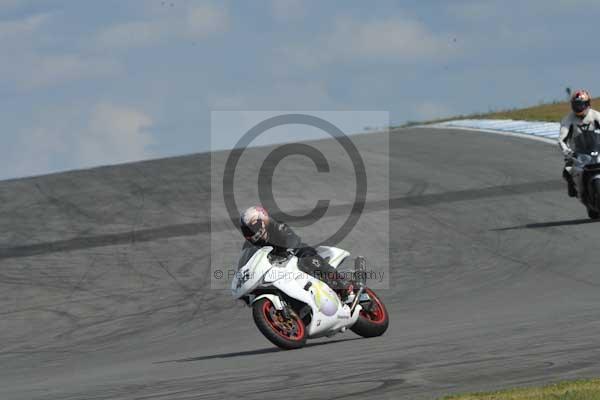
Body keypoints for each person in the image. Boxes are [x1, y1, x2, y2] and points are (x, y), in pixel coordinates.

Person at [238, 205, 353, 297]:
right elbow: (247, 264)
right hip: (276, 270)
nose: (251, 232)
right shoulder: (249, 246)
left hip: (293, 255)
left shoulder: (276, 226)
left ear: (263, 220)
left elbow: (292, 238)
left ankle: (341, 282)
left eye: (253, 227)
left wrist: (287, 250)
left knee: (305, 255)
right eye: (247, 231)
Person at [559, 90, 600, 197]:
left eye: (581, 104)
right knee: (567, 171)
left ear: (587, 104)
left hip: (596, 148)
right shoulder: (568, 119)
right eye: (576, 105)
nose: (579, 108)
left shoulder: (596, 116)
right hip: (578, 152)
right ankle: (573, 187)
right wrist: (567, 151)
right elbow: (562, 139)